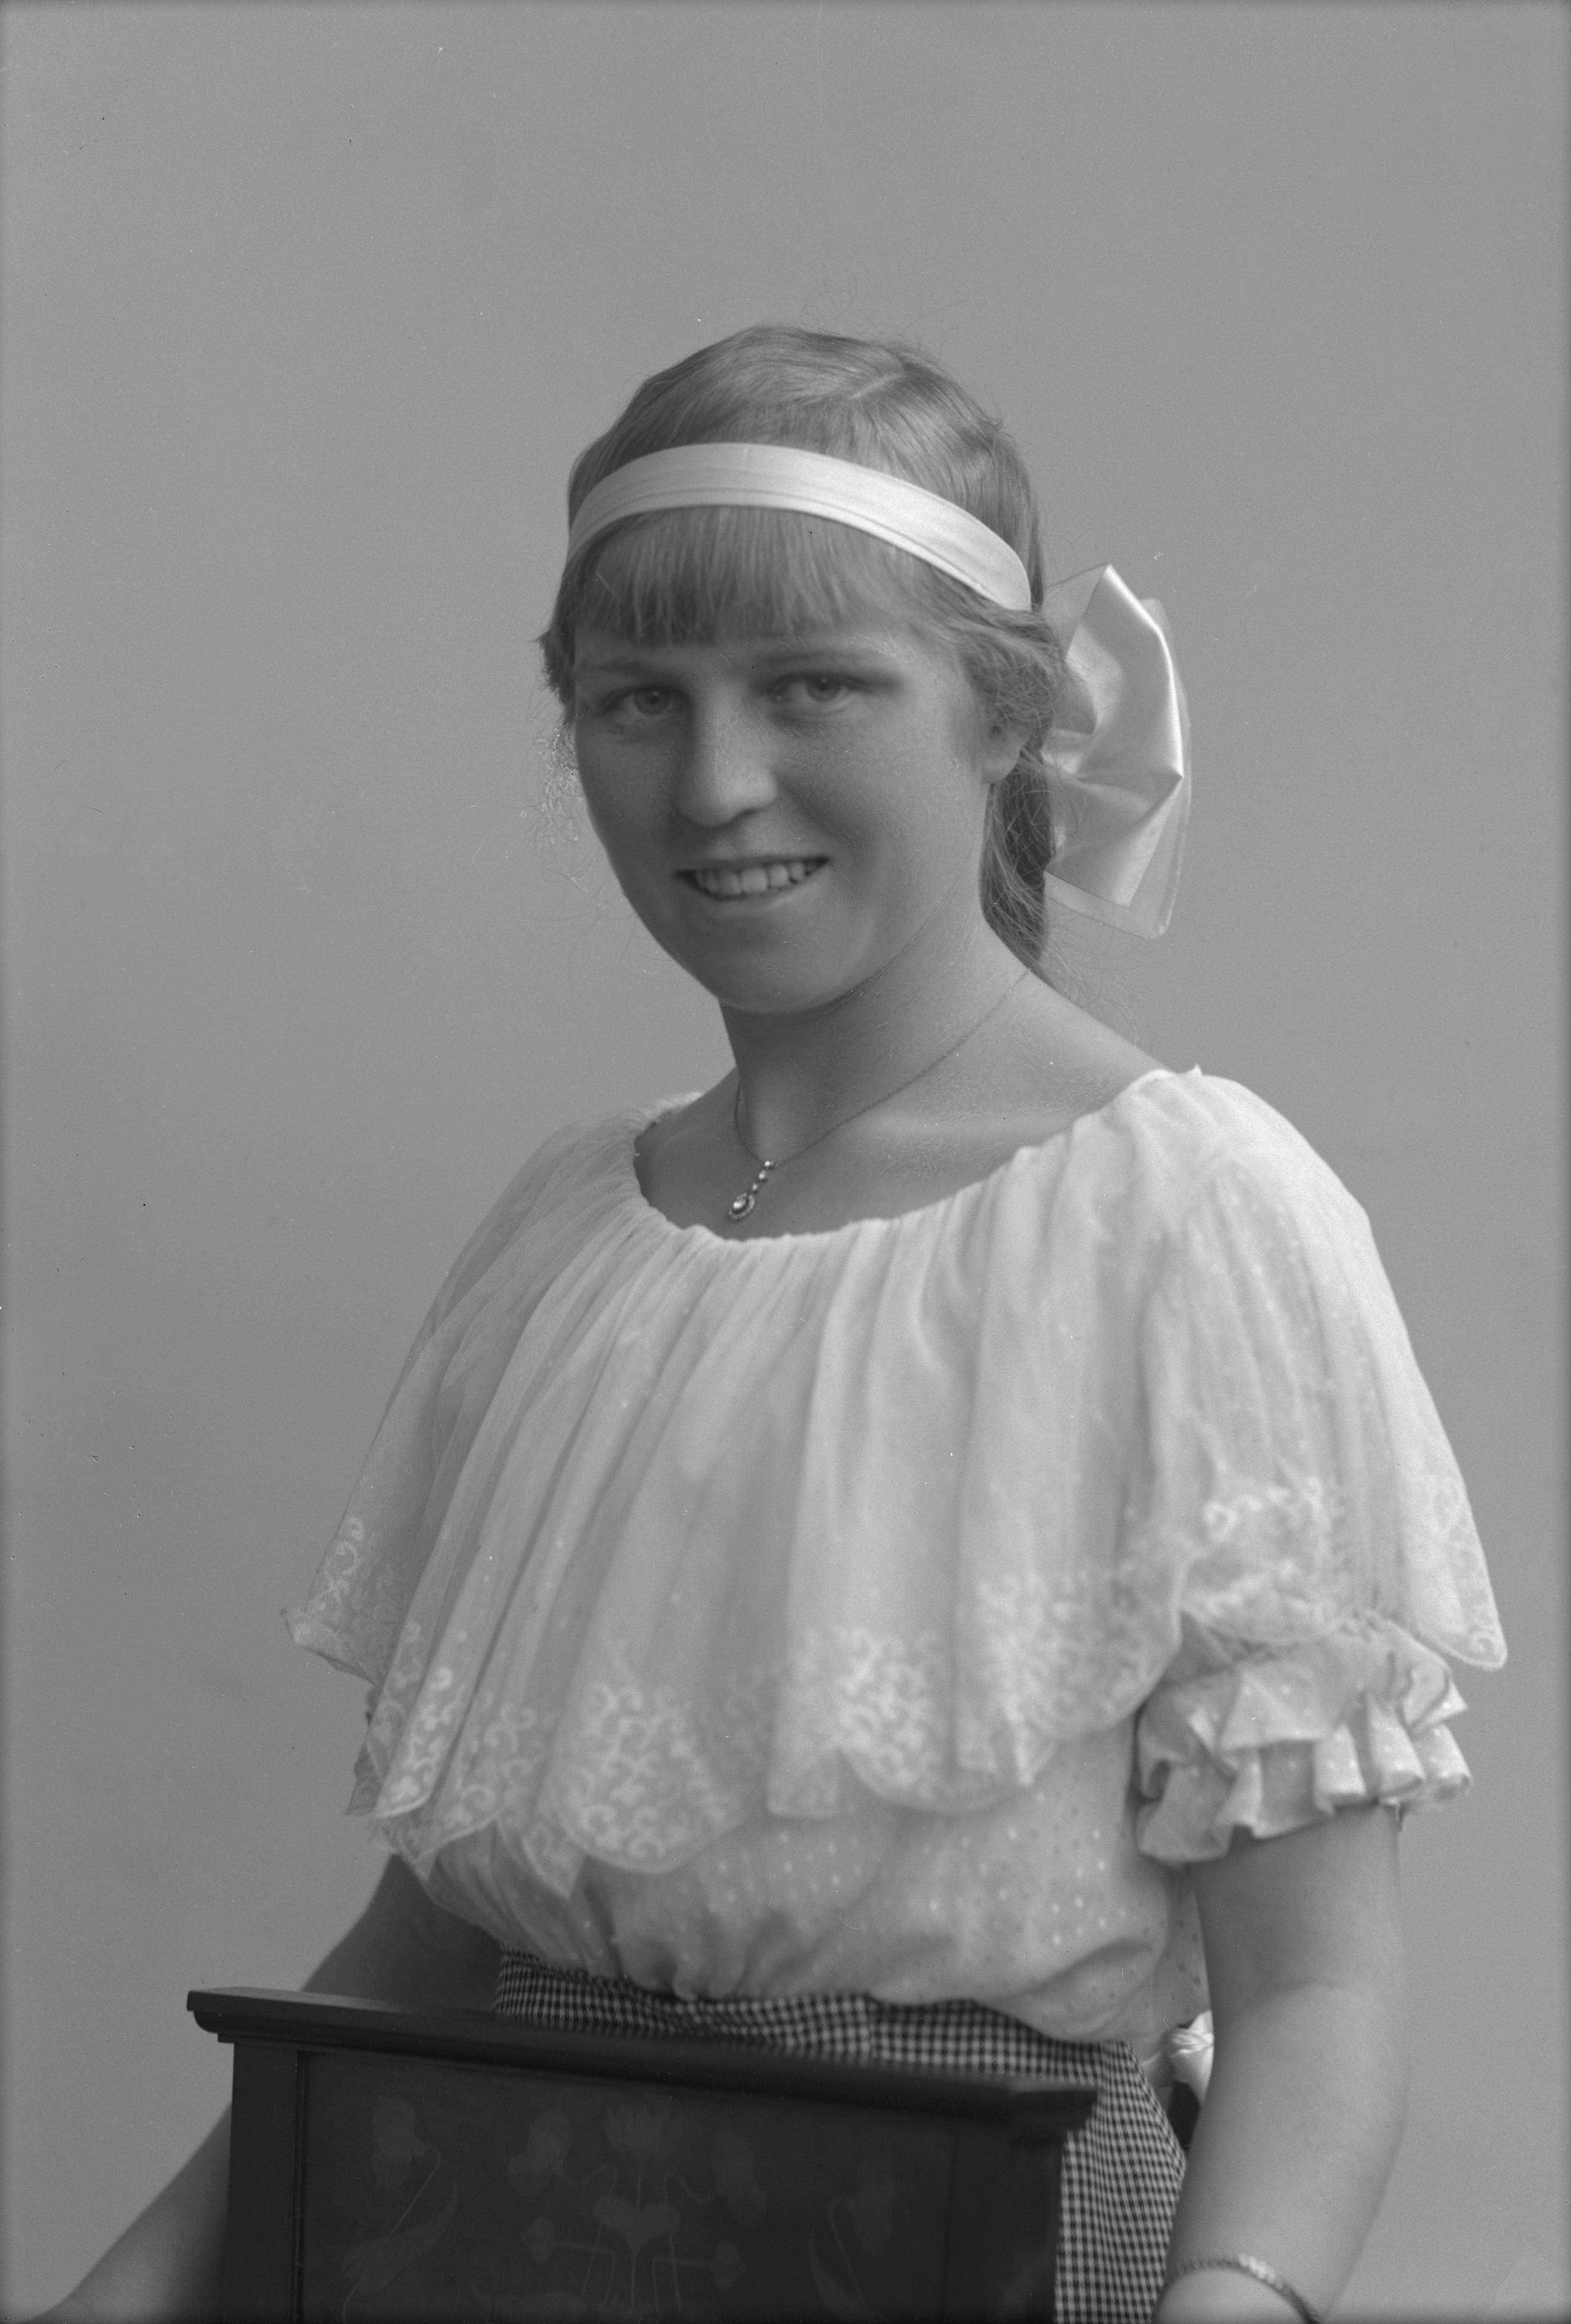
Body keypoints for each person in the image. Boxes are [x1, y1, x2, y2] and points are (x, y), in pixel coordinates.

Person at [45, 325, 1506, 2324]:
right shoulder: (572, 1234)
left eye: (812, 683)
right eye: (637, 699)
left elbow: (1312, 1988)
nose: (716, 782)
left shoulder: (1181, 1221)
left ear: (1007, 712)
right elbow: (432, 1951)